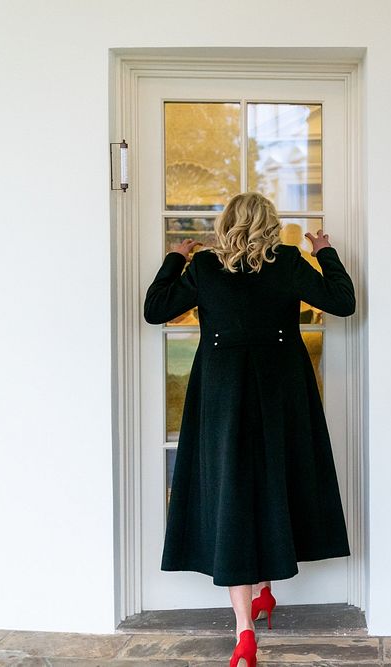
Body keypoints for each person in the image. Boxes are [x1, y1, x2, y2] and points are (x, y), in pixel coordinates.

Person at [143, 192, 356, 667]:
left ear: (227, 224)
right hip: (281, 391)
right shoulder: (288, 262)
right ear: (270, 224)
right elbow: (343, 302)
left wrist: (175, 258)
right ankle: (265, 592)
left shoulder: (204, 268)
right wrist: (325, 250)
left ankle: (245, 628)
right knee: (273, 477)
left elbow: (154, 308)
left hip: (222, 393)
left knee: (234, 492)